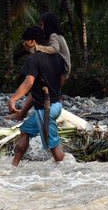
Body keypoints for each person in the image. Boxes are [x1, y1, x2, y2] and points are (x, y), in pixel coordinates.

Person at [8, 26, 68, 166]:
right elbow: (60, 80)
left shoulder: (33, 59)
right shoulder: (58, 58)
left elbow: (29, 82)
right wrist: (22, 112)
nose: (23, 44)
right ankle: (13, 166)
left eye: (25, 41)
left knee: (54, 149)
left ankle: (67, 174)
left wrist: (13, 99)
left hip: (45, 109)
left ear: (32, 42)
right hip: (57, 105)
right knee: (25, 130)